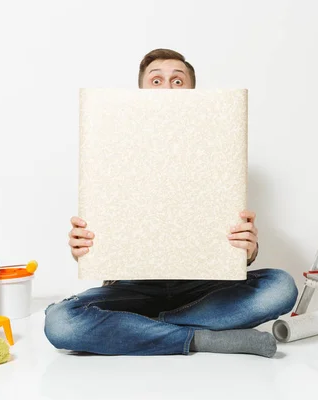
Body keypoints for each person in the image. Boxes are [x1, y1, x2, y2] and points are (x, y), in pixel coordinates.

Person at [44, 48, 298, 357]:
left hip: (201, 287)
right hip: (131, 287)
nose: (167, 87)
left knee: (281, 287)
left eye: (177, 81)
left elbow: (234, 240)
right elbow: (100, 234)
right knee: (60, 323)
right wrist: (82, 246)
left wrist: (249, 248)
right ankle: (200, 338)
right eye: (156, 80)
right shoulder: (112, 145)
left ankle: (137, 328)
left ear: (192, 92)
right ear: (141, 92)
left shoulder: (217, 148)